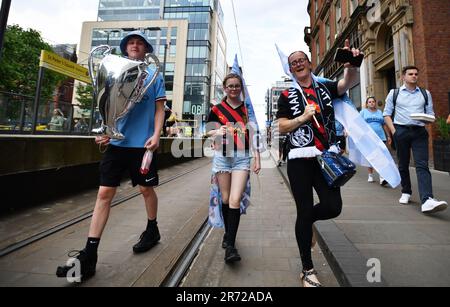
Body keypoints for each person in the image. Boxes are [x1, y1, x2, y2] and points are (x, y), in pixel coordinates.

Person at [56, 30, 166, 281]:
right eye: (131, 43)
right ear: (125, 48)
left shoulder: (154, 75)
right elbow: (105, 104)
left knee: (146, 190)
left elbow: (160, 109)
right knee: (104, 193)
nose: (134, 45)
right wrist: (104, 129)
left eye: (139, 43)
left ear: (145, 49)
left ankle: (152, 229)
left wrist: (157, 135)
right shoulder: (116, 71)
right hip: (117, 144)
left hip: (143, 145)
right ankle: (90, 254)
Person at [276, 39, 361, 287]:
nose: (298, 64)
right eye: (293, 63)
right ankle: (307, 270)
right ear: (290, 70)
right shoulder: (287, 94)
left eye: (301, 60)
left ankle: (307, 221)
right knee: (303, 210)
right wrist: (302, 117)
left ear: (310, 64)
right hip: (300, 160)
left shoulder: (325, 87)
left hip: (326, 159)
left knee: (333, 207)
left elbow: (347, 84)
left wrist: (351, 65)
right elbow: (281, 126)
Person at [206, 73, 261, 264]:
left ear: (241, 88)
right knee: (226, 198)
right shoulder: (217, 109)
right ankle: (228, 235)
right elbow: (207, 131)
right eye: (230, 86)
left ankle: (230, 246)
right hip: (222, 157)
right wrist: (217, 131)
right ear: (225, 87)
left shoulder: (247, 109)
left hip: (241, 157)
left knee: (235, 200)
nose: (234, 89)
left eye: (237, 86)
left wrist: (258, 158)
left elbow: (254, 133)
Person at [383, 66, 447, 213]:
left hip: (419, 132)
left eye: (416, 74)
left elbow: (430, 114)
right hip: (401, 131)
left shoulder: (425, 93)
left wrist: (428, 120)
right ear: (403, 77)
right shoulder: (395, 93)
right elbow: (386, 114)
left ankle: (427, 200)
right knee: (403, 164)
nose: (414, 76)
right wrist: (394, 132)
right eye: (410, 74)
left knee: (422, 165)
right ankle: (406, 191)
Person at [360, 96, 391, 185]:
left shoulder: (380, 112)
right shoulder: (363, 112)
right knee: (371, 157)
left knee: (381, 157)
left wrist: (388, 136)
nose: (371, 103)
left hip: (381, 137)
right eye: (369, 102)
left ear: (375, 103)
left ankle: (382, 177)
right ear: (367, 104)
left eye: (373, 101)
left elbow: (384, 125)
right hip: (369, 138)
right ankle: (370, 175)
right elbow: (359, 123)